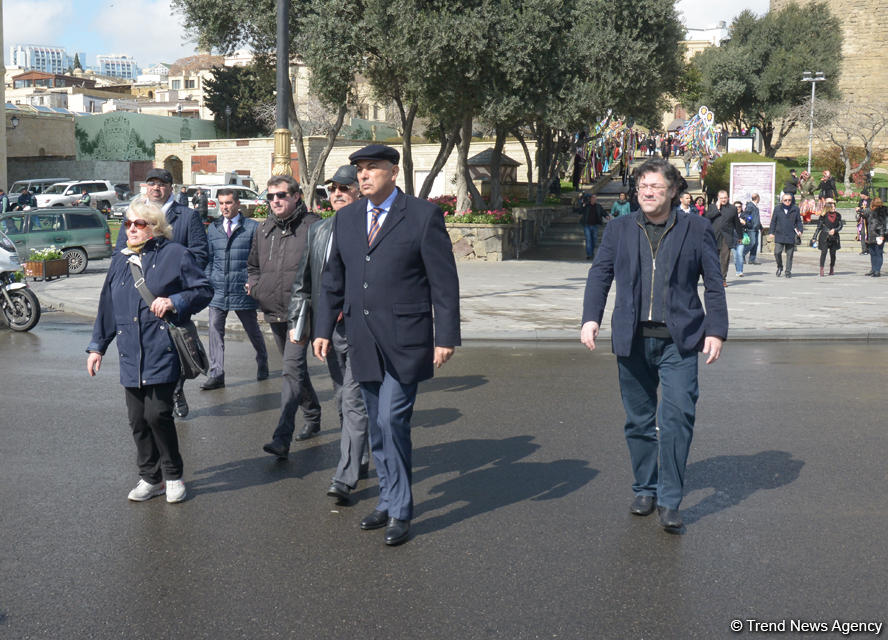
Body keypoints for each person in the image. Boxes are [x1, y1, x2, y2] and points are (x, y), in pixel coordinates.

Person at [313, 144, 461, 546]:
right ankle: (387, 497)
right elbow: (332, 281)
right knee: (377, 427)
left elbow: (444, 283)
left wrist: (445, 336)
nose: (362, 175)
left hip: (405, 339)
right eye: (359, 169)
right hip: (361, 341)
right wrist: (322, 328)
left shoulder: (422, 216)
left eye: (372, 168)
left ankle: (400, 510)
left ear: (393, 172)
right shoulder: (345, 219)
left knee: (392, 420)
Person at [580, 157, 727, 532]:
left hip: (679, 342)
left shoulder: (696, 228)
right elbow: (600, 274)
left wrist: (716, 329)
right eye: (643, 186)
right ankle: (644, 488)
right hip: (632, 340)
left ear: (674, 190)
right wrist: (591, 318)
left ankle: (670, 499)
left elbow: (713, 281)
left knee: (677, 418)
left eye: (656, 187)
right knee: (639, 422)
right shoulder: (620, 228)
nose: (647, 192)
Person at [86, 199, 212, 503]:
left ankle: (173, 475)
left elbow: (203, 289)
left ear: (154, 228)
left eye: (138, 224)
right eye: (127, 223)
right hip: (131, 352)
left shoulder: (176, 255)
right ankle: (149, 477)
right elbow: (107, 306)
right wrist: (97, 347)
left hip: (162, 348)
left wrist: (174, 302)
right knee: (138, 420)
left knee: (158, 415)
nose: (130, 229)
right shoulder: (120, 261)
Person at [289, 165, 370, 501]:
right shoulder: (319, 230)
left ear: (358, 191)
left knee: (354, 398)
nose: (336, 194)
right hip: (330, 329)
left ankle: (347, 471)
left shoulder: (372, 228)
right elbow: (303, 282)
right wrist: (300, 323)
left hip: (365, 328)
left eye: (344, 188)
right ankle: (359, 454)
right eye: (331, 189)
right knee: (342, 396)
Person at [115, 168, 209, 418]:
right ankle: (155, 399)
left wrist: (179, 281)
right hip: (140, 296)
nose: (156, 188)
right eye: (151, 183)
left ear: (171, 188)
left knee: (173, 348)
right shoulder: (133, 215)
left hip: (172, 298)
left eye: (162, 184)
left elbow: (200, 253)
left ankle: (174, 391)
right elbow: (119, 253)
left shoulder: (187, 216)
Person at [248, 175, 322, 457]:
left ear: (296, 197)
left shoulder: (313, 226)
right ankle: (313, 413)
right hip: (273, 309)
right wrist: (256, 288)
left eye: (281, 195)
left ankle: (282, 437)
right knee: (295, 371)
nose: (275, 201)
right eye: (270, 197)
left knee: (291, 369)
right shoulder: (263, 228)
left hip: (302, 311)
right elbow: (252, 266)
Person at [201, 188, 269, 390]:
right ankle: (217, 373)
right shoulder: (213, 229)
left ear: (238, 204)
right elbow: (209, 259)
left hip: (242, 289)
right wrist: (208, 279)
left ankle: (262, 359)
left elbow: (259, 260)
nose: (224, 207)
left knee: (253, 330)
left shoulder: (251, 228)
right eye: (221, 203)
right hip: (218, 289)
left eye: (228, 203)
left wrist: (253, 281)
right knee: (214, 331)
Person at [705, 190, 743, 286]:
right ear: (718, 198)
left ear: (728, 198)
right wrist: (717, 208)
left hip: (727, 236)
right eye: (721, 198)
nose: (723, 200)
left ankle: (722, 279)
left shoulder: (733, 208)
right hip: (713, 236)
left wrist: (740, 236)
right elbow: (707, 218)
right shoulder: (712, 207)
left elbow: (737, 223)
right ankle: (712, 278)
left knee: (724, 259)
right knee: (712, 258)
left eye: (725, 198)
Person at [768, 194, 803, 278]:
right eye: (785, 200)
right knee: (777, 252)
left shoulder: (795, 209)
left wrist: (800, 230)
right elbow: (773, 221)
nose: (787, 202)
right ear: (782, 201)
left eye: (789, 200)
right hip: (780, 234)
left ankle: (788, 271)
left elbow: (798, 221)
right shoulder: (777, 209)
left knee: (790, 254)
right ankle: (780, 266)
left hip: (791, 234)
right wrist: (771, 232)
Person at [814, 198, 843, 276]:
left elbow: (840, 226)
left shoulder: (838, 215)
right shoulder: (823, 215)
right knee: (824, 252)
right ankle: (822, 268)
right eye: (832, 207)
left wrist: (835, 230)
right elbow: (819, 227)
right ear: (828, 207)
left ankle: (832, 267)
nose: (834, 208)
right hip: (824, 236)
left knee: (833, 253)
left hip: (834, 237)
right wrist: (814, 237)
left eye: (834, 207)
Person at [576, 193, 606, 259]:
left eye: (595, 198)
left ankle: (591, 253)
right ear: (590, 199)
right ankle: (589, 254)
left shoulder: (598, 206)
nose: (594, 199)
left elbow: (603, 212)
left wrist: (607, 216)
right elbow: (580, 211)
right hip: (587, 225)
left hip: (595, 226)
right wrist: (582, 205)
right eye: (593, 198)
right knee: (588, 239)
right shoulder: (586, 206)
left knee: (594, 240)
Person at [863, 197, 887, 277]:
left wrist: (881, 235)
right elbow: (864, 214)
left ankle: (877, 270)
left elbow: (882, 225)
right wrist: (860, 211)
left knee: (878, 253)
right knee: (872, 253)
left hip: (879, 234)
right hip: (871, 234)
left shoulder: (882, 212)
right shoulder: (871, 211)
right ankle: (873, 269)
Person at [742, 194, 762, 265]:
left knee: (756, 244)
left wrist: (760, 226)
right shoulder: (750, 206)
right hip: (751, 228)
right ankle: (741, 254)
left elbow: (757, 218)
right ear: (757, 198)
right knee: (752, 243)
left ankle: (752, 259)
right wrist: (750, 222)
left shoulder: (755, 206)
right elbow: (746, 215)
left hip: (756, 227)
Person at [732, 201, 747, 278]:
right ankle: (737, 270)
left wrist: (745, 222)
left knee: (740, 255)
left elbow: (749, 224)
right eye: (736, 207)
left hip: (741, 237)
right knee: (735, 257)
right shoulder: (730, 215)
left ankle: (740, 271)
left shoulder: (744, 215)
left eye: (739, 207)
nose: (738, 208)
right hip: (732, 237)